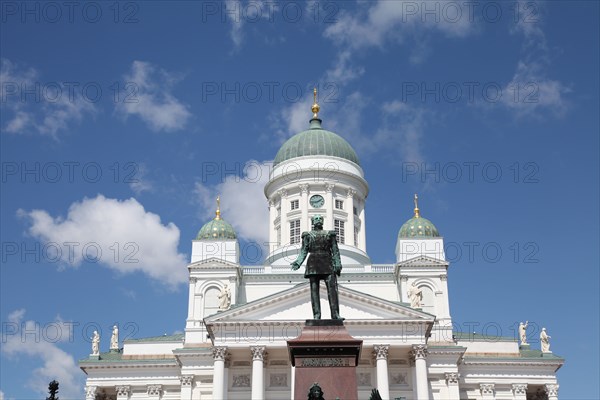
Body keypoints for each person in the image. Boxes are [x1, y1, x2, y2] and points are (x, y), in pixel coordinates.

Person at [291, 215, 343, 320]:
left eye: (320, 219)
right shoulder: (308, 235)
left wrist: (337, 263)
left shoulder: (329, 234)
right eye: (316, 219)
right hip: (313, 262)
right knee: (314, 290)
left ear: (322, 222)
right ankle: (316, 315)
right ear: (313, 222)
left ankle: (335, 315)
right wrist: (298, 262)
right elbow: (304, 250)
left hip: (327, 261)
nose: (318, 221)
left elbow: (335, 250)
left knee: (332, 289)